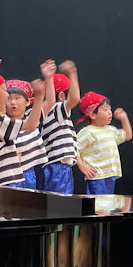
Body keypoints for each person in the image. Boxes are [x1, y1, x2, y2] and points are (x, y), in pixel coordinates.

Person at [6, 66, 55, 189]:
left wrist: (49, 78)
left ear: (28, 101)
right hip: (8, 175)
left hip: (28, 173)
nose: (12, 102)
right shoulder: (3, 121)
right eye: (8, 98)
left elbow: (50, 102)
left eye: (17, 98)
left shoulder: (31, 116)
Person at [75, 91, 132, 195]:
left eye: (110, 109)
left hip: (110, 175)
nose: (110, 112)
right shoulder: (88, 131)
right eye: (105, 109)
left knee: (106, 202)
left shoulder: (111, 130)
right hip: (96, 176)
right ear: (93, 114)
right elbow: (74, 148)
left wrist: (124, 118)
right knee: (97, 203)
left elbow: (128, 135)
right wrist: (82, 165)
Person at [41, 60, 81, 194]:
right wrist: (72, 73)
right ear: (62, 96)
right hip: (58, 168)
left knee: (57, 202)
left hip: (57, 167)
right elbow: (75, 98)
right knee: (60, 203)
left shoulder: (50, 113)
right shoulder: (57, 110)